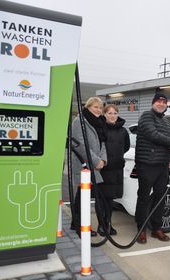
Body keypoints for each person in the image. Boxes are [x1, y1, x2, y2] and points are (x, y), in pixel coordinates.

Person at [134, 92, 170, 244]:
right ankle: (141, 229)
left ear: (166, 105)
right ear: (153, 103)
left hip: (162, 165)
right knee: (144, 198)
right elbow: (153, 134)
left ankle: (156, 228)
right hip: (146, 164)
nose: (161, 104)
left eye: (164, 102)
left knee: (160, 198)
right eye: (158, 102)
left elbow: (167, 146)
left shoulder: (166, 120)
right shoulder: (146, 116)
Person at [71, 96, 107, 237]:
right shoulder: (79, 121)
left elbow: (103, 142)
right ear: (88, 107)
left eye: (100, 107)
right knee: (82, 195)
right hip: (83, 163)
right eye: (95, 107)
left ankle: (76, 222)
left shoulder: (99, 122)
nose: (98, 110)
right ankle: (80, 225)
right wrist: (96, 161)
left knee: (85, 195)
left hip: (95, 163)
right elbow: (79, 144)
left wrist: (103, 159)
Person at [97, 104, 130, 236]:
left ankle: (108, 223)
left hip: (116, 169)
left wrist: (117, 157)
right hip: (103, 169)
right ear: (104, 114)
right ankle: (101, 225)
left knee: (110, 200)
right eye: (109, 113)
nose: (112, 116)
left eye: (115, 113)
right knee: (101, 199)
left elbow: (126, 147)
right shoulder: (99, 128)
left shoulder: (123, 131)